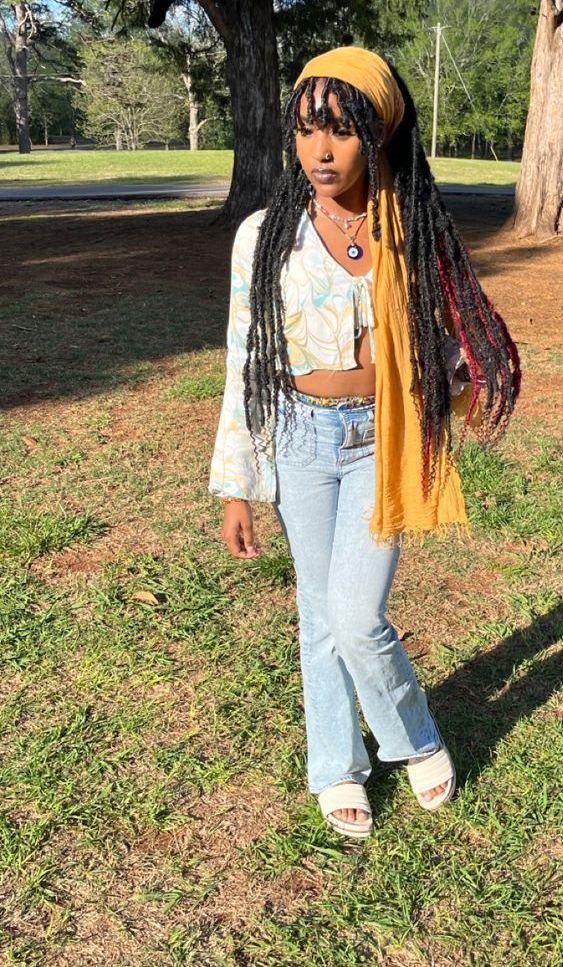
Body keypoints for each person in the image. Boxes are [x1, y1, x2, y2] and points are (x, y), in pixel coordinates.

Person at [209, 47, 520, 839]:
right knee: (319, 614)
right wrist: (236, 483)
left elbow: (446, 344)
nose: (321, 151)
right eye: (308, 129)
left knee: (354, 611)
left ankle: (413, 736)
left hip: (384, 437)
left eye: (342, 132)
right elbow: (246, 358)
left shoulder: (408, 228)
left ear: (376, 137)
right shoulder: (263, 235)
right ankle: (335, 767)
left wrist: (454, 366)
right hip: (300, 438)